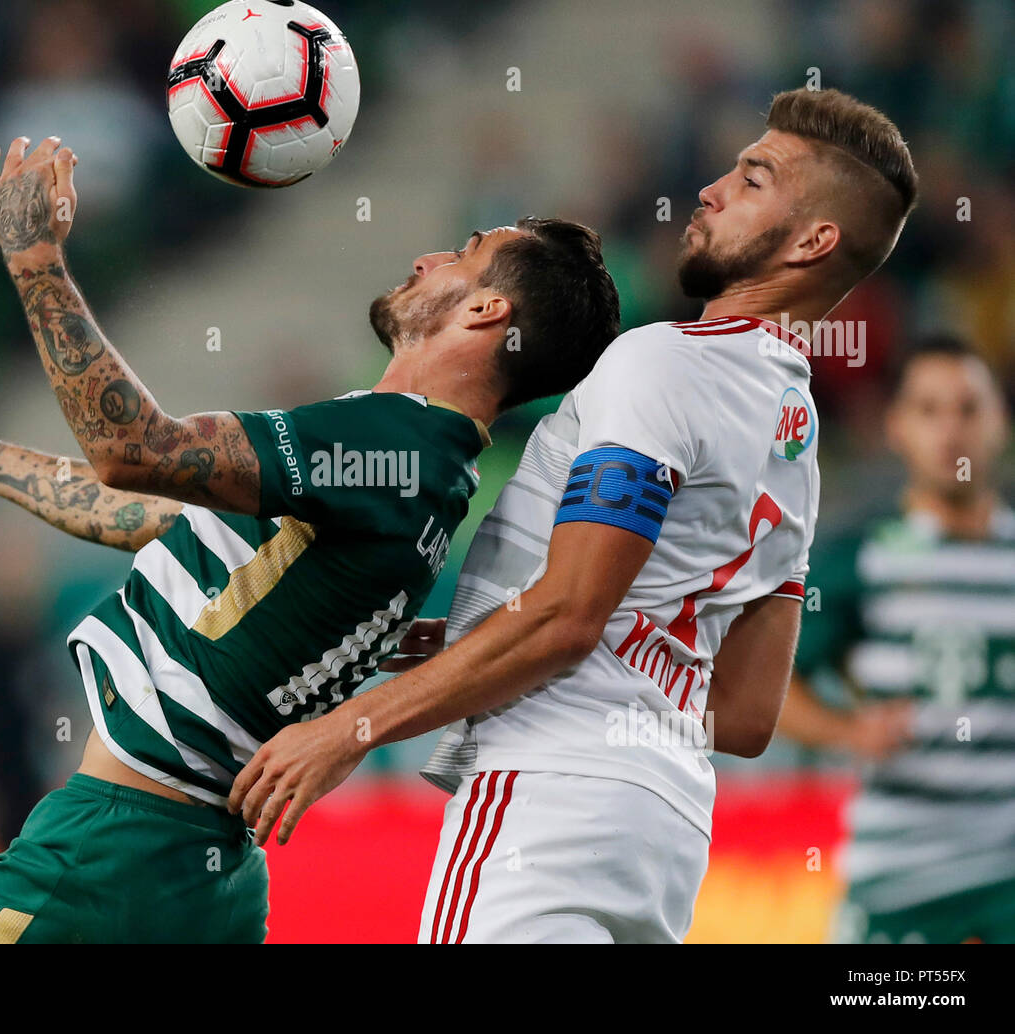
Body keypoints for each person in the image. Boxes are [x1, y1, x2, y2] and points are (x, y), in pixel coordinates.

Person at [0, 133, 621, 942]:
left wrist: (34, 256)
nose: (427, 258)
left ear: (487, 311)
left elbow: (134, 448)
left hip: (112, 853)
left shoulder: (391, 446)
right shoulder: (420, 471)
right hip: (207, 875)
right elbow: (152, 514)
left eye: (464, 253)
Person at [230, 87, 919, 944]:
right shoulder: (796, 435)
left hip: (546, 795)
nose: (708, 189)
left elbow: (568, 617)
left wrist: (350, 728)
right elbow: (743, 714)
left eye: (752, 180)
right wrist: (465, 638)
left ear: (815, 240)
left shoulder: (661, 363)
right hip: (662, 834)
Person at [778, 336, 1015, 944]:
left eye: (969, 408)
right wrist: (846, 731)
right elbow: (766, 685)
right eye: (929, 410)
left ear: (1000, 422)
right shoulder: (865, 557)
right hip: (899, 882)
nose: (952, 432)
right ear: (897, 427)